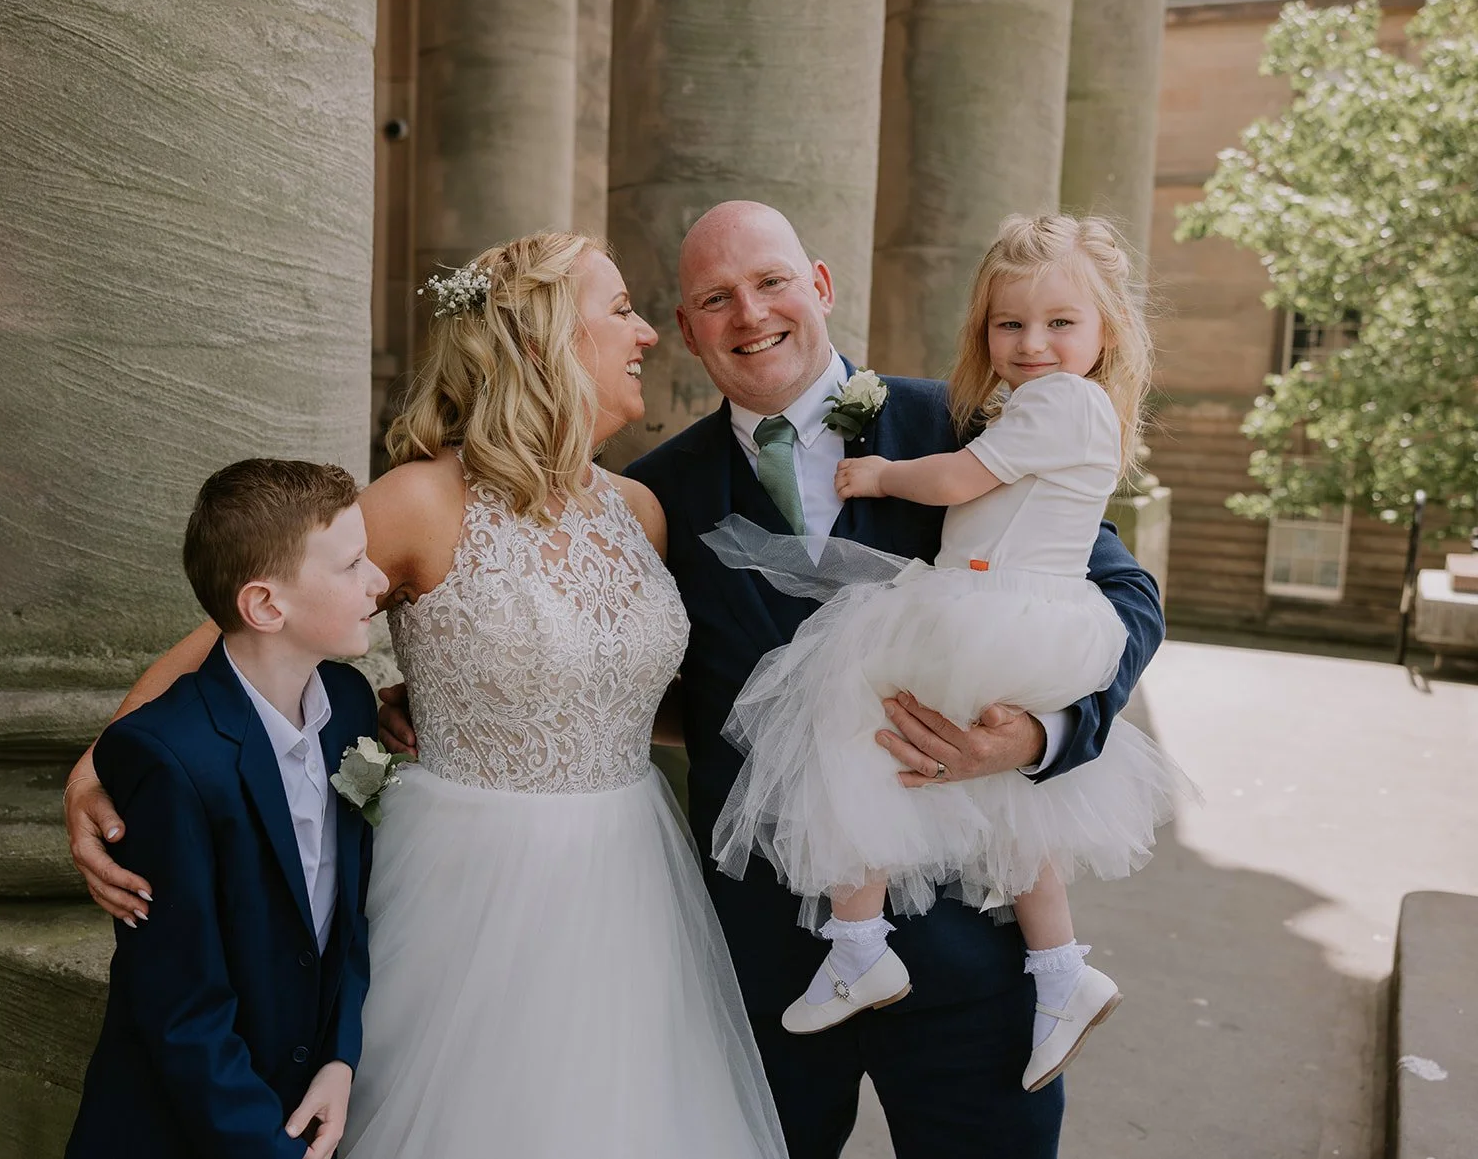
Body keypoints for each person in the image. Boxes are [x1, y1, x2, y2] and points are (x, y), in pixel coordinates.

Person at [62, 233, 790, 1159]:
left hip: (633, 879)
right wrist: (92, 771)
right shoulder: (422, 502)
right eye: (620, 309)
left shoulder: (637, 511)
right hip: (468, 887)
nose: (649, 331)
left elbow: (627, 695)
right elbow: (238, 626)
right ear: (542, 342)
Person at [617, 200, 1164, 1159]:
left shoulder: (968, 420)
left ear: (820, 286)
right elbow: (635, 677)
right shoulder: (655, 492)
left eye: (772, 281)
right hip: (765, 959)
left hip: (972, 942)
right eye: (717, 298)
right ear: (689, 325)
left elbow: (1123, 596)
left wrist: (1035, 736)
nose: (751, 313)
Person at [65, 458, 385, 1159]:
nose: (380, 581)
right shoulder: (169, 759)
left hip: (306, 1101)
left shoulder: (352, 708)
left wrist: (339, 1057)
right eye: (353, 564)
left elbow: (347, 917)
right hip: (179, 1128)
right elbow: (181, 1012)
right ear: (266, 605)